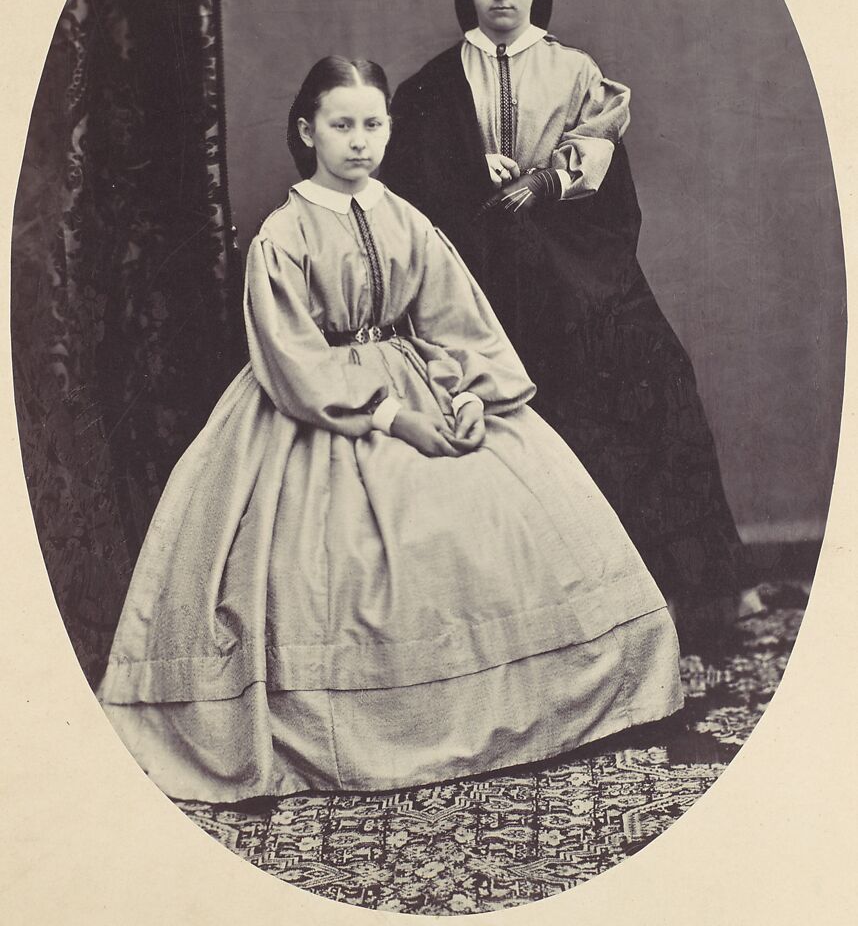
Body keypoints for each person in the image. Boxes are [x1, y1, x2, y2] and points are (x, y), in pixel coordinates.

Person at [98, 55, 682, 803]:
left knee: (500, 526)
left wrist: (473, 394)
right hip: (318, 411)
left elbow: (455, 318)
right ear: (308, 131)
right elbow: (293, 360)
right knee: (331, 570)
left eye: (373, 124)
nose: (360, 141)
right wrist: (392, 417)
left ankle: (525, 711)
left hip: (426, 383)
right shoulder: (282, 236)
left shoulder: (406, 217)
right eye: (341, 125)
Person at [382, 0, 760, 651]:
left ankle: (693, 590)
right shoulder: (429, 88)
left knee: (653, 376)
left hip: (579, 272)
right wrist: (471, 179)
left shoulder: (578, 72)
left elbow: (608, 186)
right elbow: (413, 197)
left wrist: (548, 183)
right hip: (482, 279)